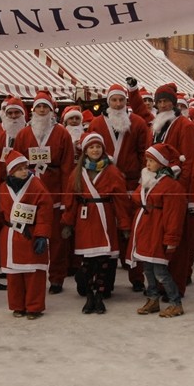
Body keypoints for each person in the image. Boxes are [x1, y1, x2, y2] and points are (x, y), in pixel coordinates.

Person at [87, 84, 150, 292]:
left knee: (132, 230)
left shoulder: (138, 123)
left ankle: (136, 275)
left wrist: (143, 179)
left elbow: (144, 153)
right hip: (106, 184)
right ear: (108, 102)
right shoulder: (97, 123)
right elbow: (89, 151)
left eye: (121, 100)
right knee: (109, 231)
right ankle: (107, 279)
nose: (117, 104)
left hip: (131, 183)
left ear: (126, 102)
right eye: (114, 100)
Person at [61, 133, 132, 313]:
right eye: (91, 147)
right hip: (85, 220)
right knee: (87, 262)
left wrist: (124, 224)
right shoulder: (77, 173)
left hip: (105, 219)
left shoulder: (112, 171)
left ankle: (98, 296)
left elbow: (121, 200)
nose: (95, 150)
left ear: (103, 149)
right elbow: (70, 200)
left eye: (98, 147)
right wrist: (67, 223)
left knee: (103, 262)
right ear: (85, 150)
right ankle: (89, 292)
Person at [14, 89, 75, 294]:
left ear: (51, 111)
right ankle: (33, 269)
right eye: (38, 107)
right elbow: (16, 165)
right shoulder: (23, 134)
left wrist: (67, 198)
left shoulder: (62, 134)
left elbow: (68, 168)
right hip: (31, 191)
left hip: (55, 190)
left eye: (45, 107)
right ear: (33, 110)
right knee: (31, 233)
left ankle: (57, 277)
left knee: (56, 238)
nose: (41, 110)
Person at [128, 144, 188, 318]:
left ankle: (175, 302)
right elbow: (136, 198)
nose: (148, 164)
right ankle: (153, 299)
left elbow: (174, 216)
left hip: (158, 231)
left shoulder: (171, 186)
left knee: (160, 271)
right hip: (146, 231)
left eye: (152, 161)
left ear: (162, 163)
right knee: (147, 269)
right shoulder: (147, 179)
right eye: (147, 160)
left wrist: (171, 238)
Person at [0, 150, 53, 319]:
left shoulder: (37, 186)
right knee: (13, 276)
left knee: (34, 274)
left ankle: (34, 307)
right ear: (11, 171)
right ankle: (17, 306)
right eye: (19, 169)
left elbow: (45, 212)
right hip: (10, 235)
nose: (24, 171)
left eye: (26, 168)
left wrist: (42, 235)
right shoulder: (2, 188)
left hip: (30, 235)